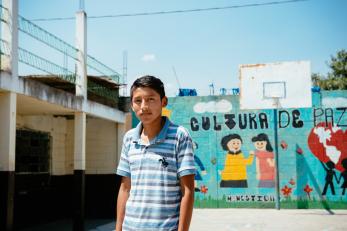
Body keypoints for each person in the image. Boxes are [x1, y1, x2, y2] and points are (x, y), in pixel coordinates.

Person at [116, 75, 196, 231]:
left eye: (151, 99)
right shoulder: (129, 138)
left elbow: (188, 190)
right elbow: (125, 188)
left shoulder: (180, 136)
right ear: (132, 105)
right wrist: (118, 227)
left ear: (163, 102)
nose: (144, 106)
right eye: (138, 100)